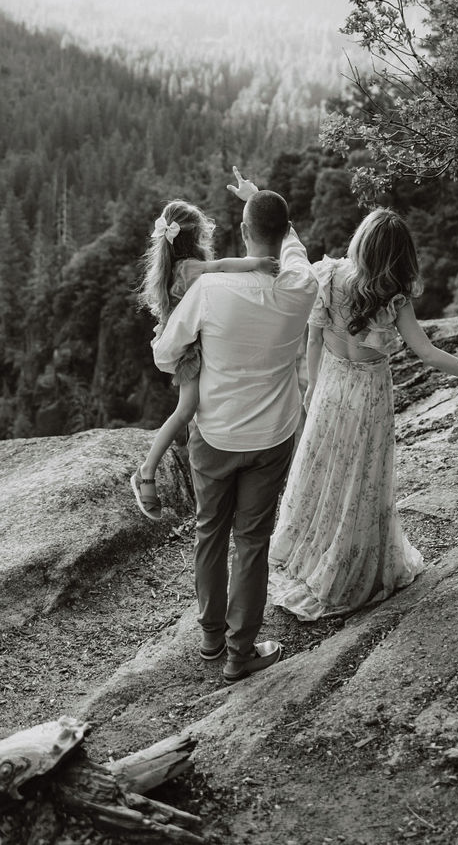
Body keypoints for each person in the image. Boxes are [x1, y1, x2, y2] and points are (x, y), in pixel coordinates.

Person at [269, 208, 458, 621]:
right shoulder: (392, 297)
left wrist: (310, 391)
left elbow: (312, 338)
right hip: (367, 393)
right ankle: (347, 567)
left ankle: (306, 555)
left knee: (323, 469)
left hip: (330, 384)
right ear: (398, 256)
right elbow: (428, 353)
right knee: (360, 480)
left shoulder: (328, 276)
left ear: (360, 241)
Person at [151, 167, 317, 683]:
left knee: (210, 533)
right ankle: (240, 651)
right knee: (252, 542)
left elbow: (163, 353)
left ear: (244, 235)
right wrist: (267, 209)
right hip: (272, 435)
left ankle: (210, 637)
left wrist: (194, 361)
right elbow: (293, 251)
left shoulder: (210, 290)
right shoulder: (302, 287)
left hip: (215, 434)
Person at [130, 199, 278, 521]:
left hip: (196, 344)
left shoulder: (175, 265)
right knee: (185, 410)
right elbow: (223, 266)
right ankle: (147, 471)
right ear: (196, 237)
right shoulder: (190, 267)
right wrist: (256, 264)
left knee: (194, 408)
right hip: (191, 351)